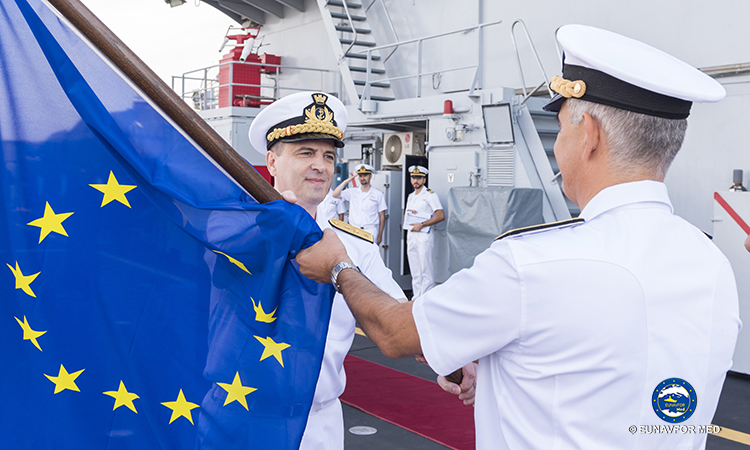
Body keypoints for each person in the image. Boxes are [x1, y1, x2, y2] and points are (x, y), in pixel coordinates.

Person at [295, 25, 741, 449]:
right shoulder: (712, 265)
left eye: (563, 127)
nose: (559, 144)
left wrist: (339, 265)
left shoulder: (531, 265)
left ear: (588, 135)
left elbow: (394, 333)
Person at [243, 91, 471, 450]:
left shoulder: (357, 247)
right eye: (306, 152)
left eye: (328, 156)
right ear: (272, 161)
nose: (320, 165)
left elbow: (397, 317)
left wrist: (450, 358)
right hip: (241, 416)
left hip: (318, 426)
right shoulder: (233, 235)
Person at [404, 165, 444, 298]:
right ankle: (416, 298)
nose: (416, 180)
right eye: (413, 178)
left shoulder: (429, 195)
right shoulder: (411, 196)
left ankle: (426, 298)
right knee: (415, 270)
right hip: (411, 235)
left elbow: (440, 215)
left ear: (424, 180)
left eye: (419, 178)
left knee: (426, 269)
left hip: (423, 235)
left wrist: (422, 224)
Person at [333, 164, 387, 246]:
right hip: (354, 230)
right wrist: (346, 181)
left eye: (365, 175)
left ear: (370, 176)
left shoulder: (378, 194)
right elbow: (335, 194)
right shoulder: (352, 192)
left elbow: (382, 216)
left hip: (370, 231)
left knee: (370, 254)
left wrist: (380, 235)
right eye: (360, 176)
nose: (362, 178)